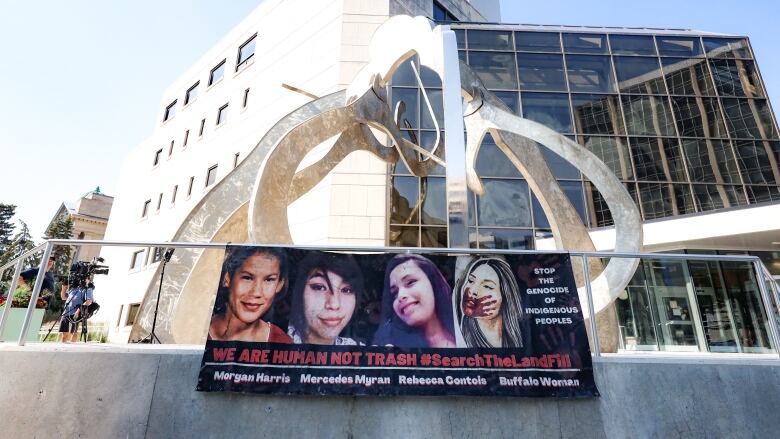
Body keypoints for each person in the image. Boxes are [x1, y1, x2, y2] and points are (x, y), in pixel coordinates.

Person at [208, 247, 292, 343]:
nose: (256, 292)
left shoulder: (282, 342)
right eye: (247, 278)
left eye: (269, 280)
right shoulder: (196, 330)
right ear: (227, 278)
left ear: (279, 285)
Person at [373, 254, 455, 348]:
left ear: (433, 283)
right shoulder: (389, 349)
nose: (400, 296)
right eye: (394, 293)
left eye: (410, 282)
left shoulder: (466, 335)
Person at [288, 252, 364, 345]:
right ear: (299, 291)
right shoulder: (275, 341)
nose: (334, 304)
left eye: (346, 290)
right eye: (319, 287)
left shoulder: (359, 353)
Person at [453, 257, 524, 348]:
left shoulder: (521, 337)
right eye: (471, 280)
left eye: (487, 286)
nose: (473, 290)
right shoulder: (459, 337)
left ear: (506, 297)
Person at [59, 276, 94, 343]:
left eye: (85, 278)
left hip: (75, 313)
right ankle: (62, 349)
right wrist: (64, 286)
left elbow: (89, 301)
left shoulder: (88, 289)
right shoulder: (74, 288)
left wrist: (78, 311)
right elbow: (63, 297)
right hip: (66, 312)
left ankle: (72, 350)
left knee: (73, 333)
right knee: (64, 334)